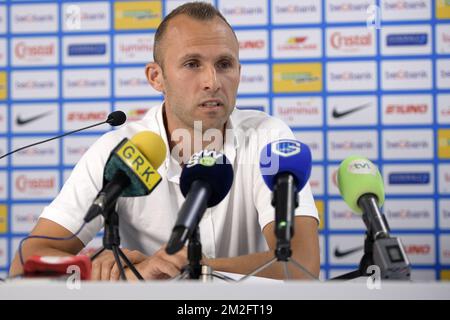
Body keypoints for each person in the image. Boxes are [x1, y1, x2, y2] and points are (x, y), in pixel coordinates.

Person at [10, 2, 320, 281]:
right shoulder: (118, 151)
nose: (212, 81)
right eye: (192, 64)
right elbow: (26, 264)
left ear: (239, 71)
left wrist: (196, 269)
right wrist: (101, 267)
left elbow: (302, 265)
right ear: (156, 77)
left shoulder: (268, 138)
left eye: (224, 64)